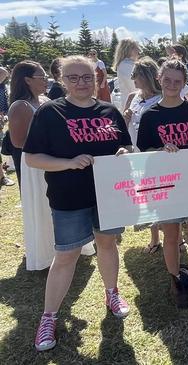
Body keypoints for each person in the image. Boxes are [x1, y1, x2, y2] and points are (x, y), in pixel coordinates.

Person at [23, 55, 132, 351]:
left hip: (109, 194)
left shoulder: (110, 111)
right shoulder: (49, 112)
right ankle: (49, 316)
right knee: (66, 256)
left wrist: (124, 151)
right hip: (69, 196)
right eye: (73, 78)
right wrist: (68, 163)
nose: (81, 83)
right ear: (62, 80)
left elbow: (125, 145)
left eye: (87, 77)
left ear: (96, 78)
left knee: (107, 245)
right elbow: (33, 157)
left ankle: (111, 293)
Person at [137, 59, 188, 308]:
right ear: (159, 79)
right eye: (167, 79)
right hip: (165, 182)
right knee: (170, 233)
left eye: (177, 81)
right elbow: (144, 149)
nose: (172, 84)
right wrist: (159, 149)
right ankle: (176, 280)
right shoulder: (150, 115)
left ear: (185, 83)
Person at [121, 57, 164, 253]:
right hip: (137, 152)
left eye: (135, 75)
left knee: (164, 193)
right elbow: (123, 127)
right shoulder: (133, 97)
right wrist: (126, 118)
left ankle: (177, 237)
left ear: (146, 76)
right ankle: (154, 237)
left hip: (157, 152)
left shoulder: (163, 97)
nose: (133, 79)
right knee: (147, 195)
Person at [7, 61, 50, 188]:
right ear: (27, 80)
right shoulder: (20, 106)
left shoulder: (45, 100)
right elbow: (18, 142)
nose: (46, 80)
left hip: (53, 159)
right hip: (37, 163)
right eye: (42, 77)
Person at [113, 38, 141, 110]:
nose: (139, 50)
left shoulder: (127, 64)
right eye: (136, 47)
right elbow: (134, 86)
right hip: (133, 105)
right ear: (128, 49)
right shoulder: (126, 65)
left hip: (135, 103)